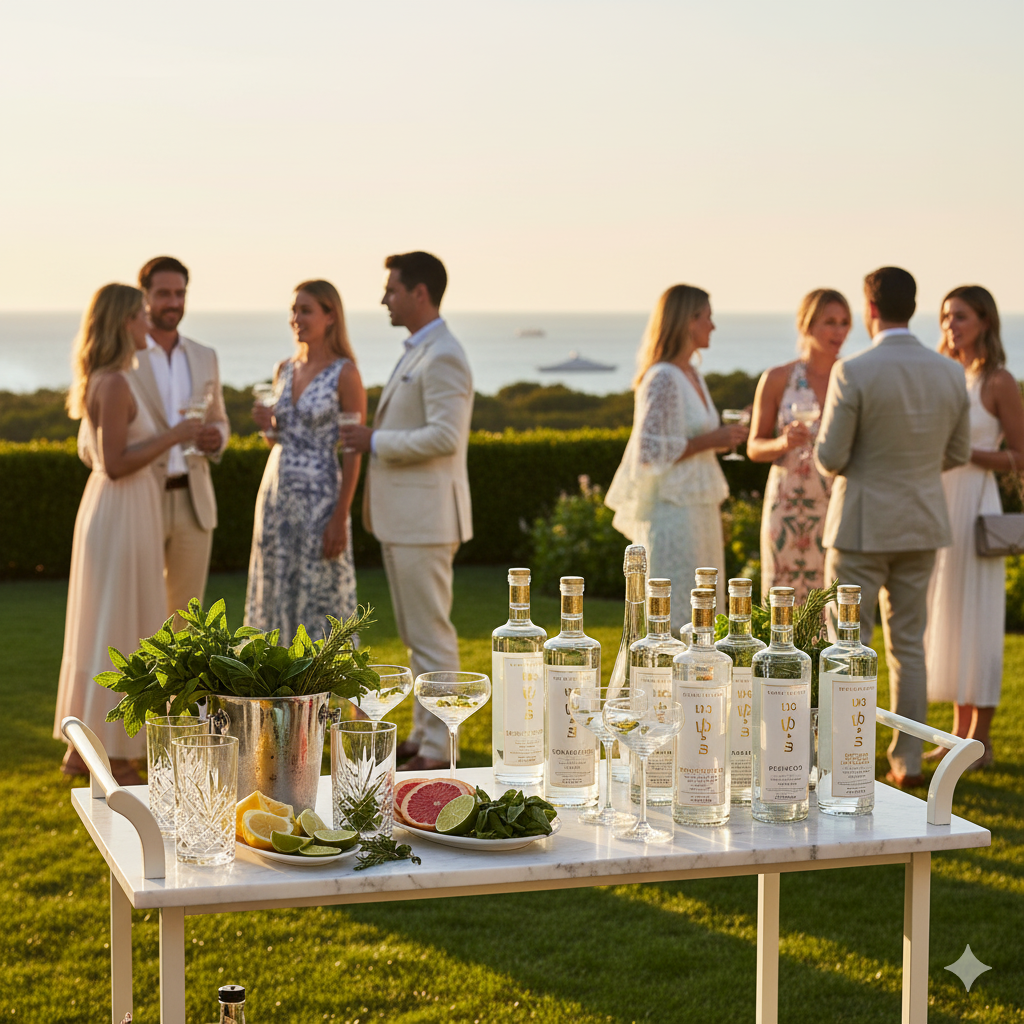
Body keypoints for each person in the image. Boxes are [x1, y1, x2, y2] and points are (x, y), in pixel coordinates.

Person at [815, 267, 971, 789]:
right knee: (910, 645)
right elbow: (958, 452)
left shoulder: (853, 370)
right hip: (922, 523)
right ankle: (908, 759)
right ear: (915, 305)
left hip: (859, 524)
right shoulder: (949, 372)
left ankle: (842, 750)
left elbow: (831, 456)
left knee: (846, 644)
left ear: (870, 309)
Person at [55, 284, 202, 784]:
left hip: (124, 509)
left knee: (110, 624)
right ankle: (115, 757)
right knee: (120, 629)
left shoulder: (108, 377)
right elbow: (115, 463)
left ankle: (85, 751)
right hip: (122, 506)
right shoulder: (115, 382)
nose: (148, 324)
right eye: (140, 316)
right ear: (123, 322)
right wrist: (176, 436)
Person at [339, 252, 473, 772]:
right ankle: (423, 733)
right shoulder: (422, 349)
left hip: (426, 520)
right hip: (406, 520)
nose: (383, 298)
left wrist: (375, 440)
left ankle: (440, 749)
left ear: (420, 292)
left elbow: (445, 436)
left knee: (432, 635)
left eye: (391, 289)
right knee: (418, 636)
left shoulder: (444, 354)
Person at [604, 284, 748, 631]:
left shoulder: (691, 374)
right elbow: (649, 452)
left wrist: (726, 436)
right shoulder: (663, 377)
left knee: (705, 608)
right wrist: (710, 439)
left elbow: (689, 437)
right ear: (689, 321)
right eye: (708, 317)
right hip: (672, 511)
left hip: (699, 508)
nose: (713, 326)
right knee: (675, 612)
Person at [923, 286, 1023, 768]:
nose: (950, 326)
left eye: (960, 316)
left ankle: (977, 742)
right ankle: (957, 737)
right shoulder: (945, 375)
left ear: (984, 320)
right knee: (951, 616)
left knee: (978, 617)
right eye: (945, 317)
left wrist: (968, 455)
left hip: (976, 503)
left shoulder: (998, 380)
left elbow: (1020, 457)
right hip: (940, 503)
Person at [247, 280, 365, 642]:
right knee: (277, 585)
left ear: (330, 316)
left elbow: (352, 449)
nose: (296, 318)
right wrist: (268, 428)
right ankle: (275, 690)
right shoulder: (283, 369)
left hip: (321, 498)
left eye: (306, 310)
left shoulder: (345, 373)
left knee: (321, 593)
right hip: (276, 494)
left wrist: (340, 514)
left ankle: (329, 690)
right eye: (293, 310)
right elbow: (280, 441)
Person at [132, 257, 229, 622]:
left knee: (186, 620)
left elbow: (220, 419)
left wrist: (215, 439)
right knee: (141, 610)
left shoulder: (205, 356)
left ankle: (179, 683)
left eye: (179, 293)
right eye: (163, 294)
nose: (173, 302)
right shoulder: (127, 358)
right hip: (141, 496)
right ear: (145, 296)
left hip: (194, 501)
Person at [748, 289, 852, 599]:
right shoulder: (778, 378)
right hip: (788, 508)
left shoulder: (851, 378)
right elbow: (754, 447)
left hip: (838, 506)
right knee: (784, 604)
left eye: (845, 323)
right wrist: (782, 442)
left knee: (834, 600)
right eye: (830, 322)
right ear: (806, 324)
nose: (839, 331)